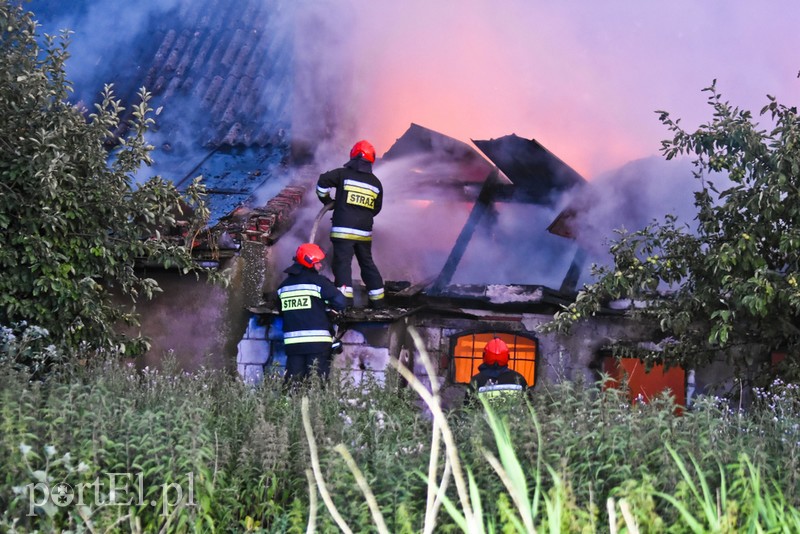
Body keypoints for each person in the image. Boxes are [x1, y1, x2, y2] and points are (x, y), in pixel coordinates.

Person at [316, 140, 385, 308]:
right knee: (367, 263)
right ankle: (378, 302)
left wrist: (328, 201)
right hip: (364, 232)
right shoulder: (376, 184)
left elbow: (322, 184)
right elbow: (376, 209)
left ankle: (345, 302)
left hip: (343, 231)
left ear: (353, 155)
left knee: (342, 263)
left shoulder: (342, 174)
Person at [276, 243, 347, 384]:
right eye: (318, 263)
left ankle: (289, 406)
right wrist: (327, 307)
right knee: (317, 384)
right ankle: (316, 406)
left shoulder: (282, 287)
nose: (320, 266)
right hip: (318, 345)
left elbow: (282, 312)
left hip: (294, 346)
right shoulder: (318, 282)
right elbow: (340, 302)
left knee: (293, 384)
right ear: (309, 263)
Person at [468, 337, 528, 402]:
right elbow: (529, 405)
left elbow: (468, 408)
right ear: (507, 357)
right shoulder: (518, 379)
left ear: (484, 355)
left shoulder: (476, 381)